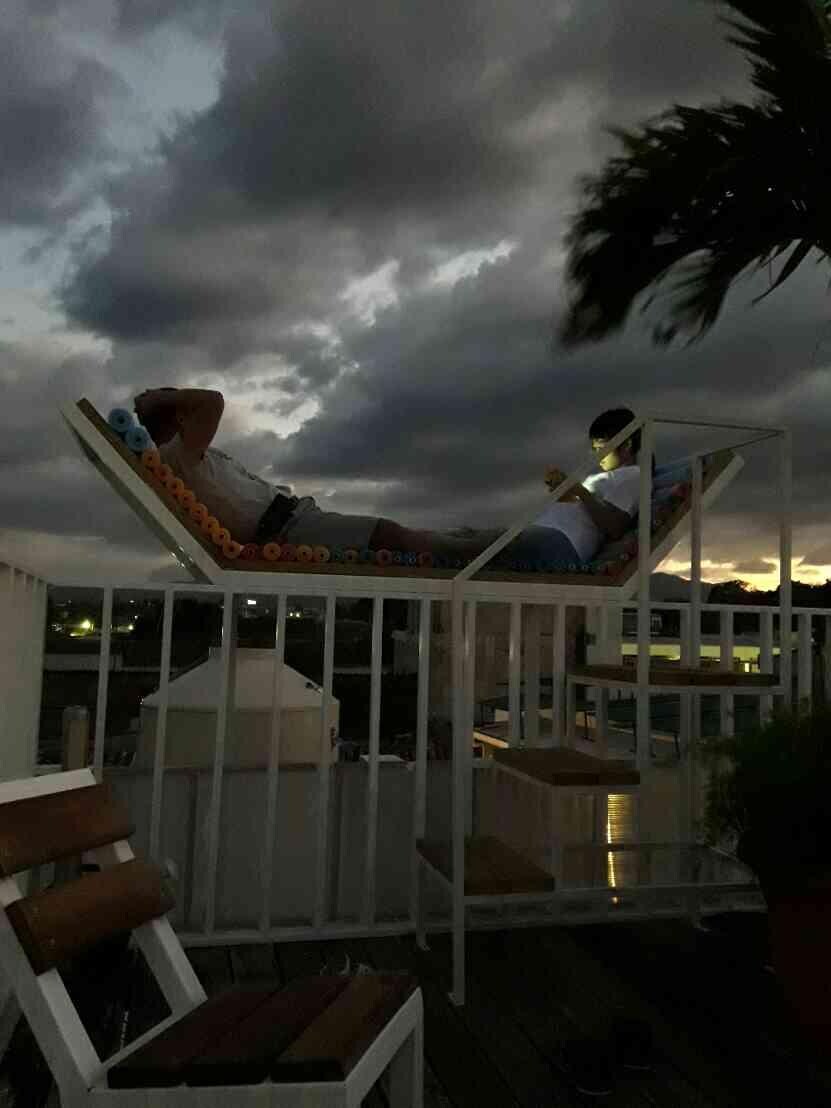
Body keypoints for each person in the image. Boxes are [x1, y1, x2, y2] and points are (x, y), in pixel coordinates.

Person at [133, 389, 643, 566]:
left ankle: (458, 552)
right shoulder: (182, 455)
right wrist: (160, 401)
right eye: (594, 447)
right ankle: (458, 552)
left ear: (629, 443)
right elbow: (211, 401)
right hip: (287, 527)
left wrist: (577, 492)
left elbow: (617, 527)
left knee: (441, 538)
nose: (597, 455)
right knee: (422, 536)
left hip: (295, 518)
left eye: (604, 446)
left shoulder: (633, 477)